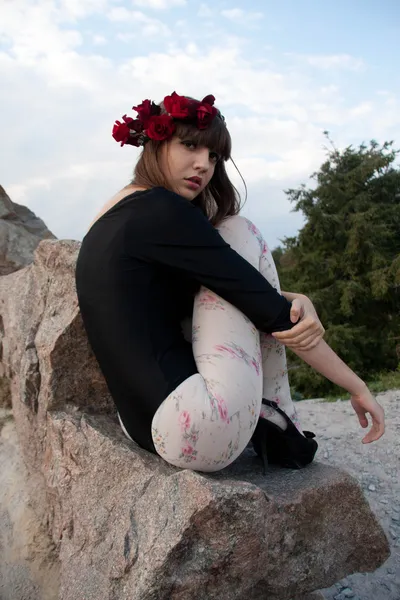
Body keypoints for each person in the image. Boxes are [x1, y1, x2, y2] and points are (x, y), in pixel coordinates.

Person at [75, 92, 385, 474]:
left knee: (239, 274)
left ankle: (272, 419)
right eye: (189, 145)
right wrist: (357, 386)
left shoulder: (112, 213)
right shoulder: (164, 210)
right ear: (156, 143)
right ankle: (280, 418)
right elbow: (267, 311)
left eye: (214, 156)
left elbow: (213, 292)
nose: (203, 165)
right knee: (238, 229)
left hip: (139, 426)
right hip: (197, 430)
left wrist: (292, 296)